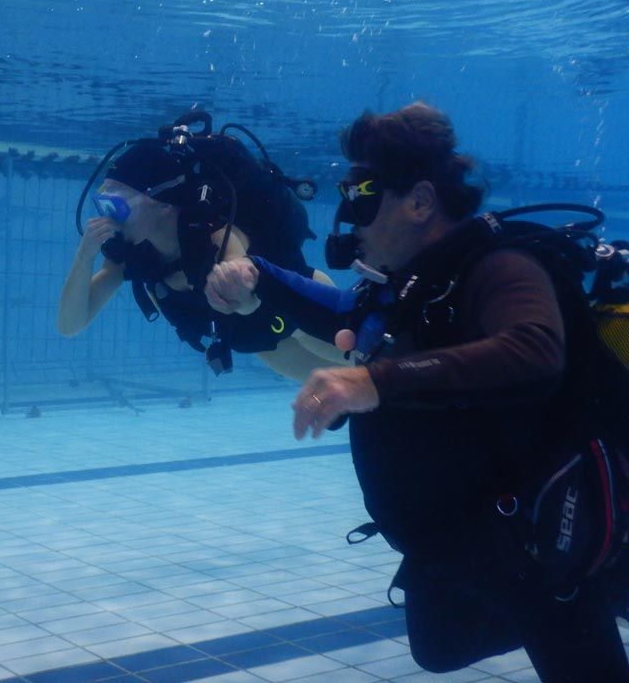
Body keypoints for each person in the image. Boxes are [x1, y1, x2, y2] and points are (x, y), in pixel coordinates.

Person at [206, 101, 629, 681]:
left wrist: (373, 379)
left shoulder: (501, 266)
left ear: (421, 201)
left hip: (533, 537)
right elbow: (341, 310)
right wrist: (256, 273)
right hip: (455, 538)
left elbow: (535, 350)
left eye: (362, 199)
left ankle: (596, 582)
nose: (350, 220)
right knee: (440, 647)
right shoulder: (410, 286)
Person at [57, 111, 342, 380]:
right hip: (258, 339)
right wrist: (84, 256)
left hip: (300, 308)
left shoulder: (211, 232)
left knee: (362, 364)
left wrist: (236, 282)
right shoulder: (132, 253)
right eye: (104, 204)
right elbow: (70, 325)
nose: (109, 217)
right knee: (346, 395)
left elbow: (243, 281)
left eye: (118, 205)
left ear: (163, 205)